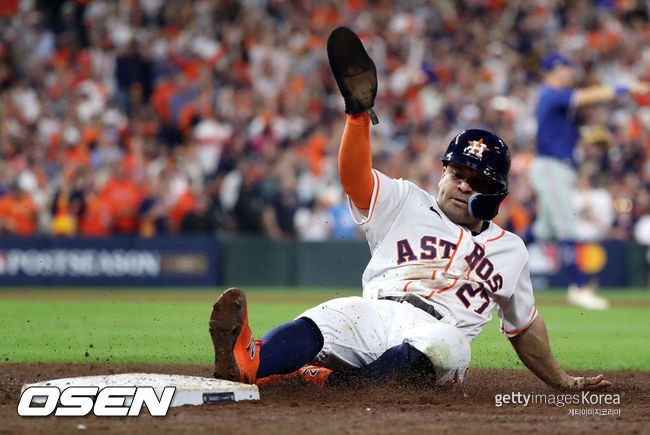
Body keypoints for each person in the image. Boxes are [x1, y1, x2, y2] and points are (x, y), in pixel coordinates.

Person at [208, 31, 610, 391]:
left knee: (445, 345)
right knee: (331, 314)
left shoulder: (511, 250)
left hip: (439, 330)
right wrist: (357, 117)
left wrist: (563, 381)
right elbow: (354, 179)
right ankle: (251, 361)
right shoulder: (404, 199)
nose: (463, 184)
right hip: (376, 310)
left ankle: (337, 390)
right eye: (457, 172)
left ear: (496, 193)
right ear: (443, 172)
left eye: (478, 180)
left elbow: (523, 328)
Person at [531, 52, 649, 310]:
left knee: (543, 231)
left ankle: (484, 260)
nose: (571, 73)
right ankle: (579, 287)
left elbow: (568, 136)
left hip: (557, 168)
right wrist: (626, 86)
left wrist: (584, 141)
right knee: (567, 227)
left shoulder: (561, 109)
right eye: (567, 68)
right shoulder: (551, 93)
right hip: (551, 167)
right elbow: (588, 96)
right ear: (555, 69)